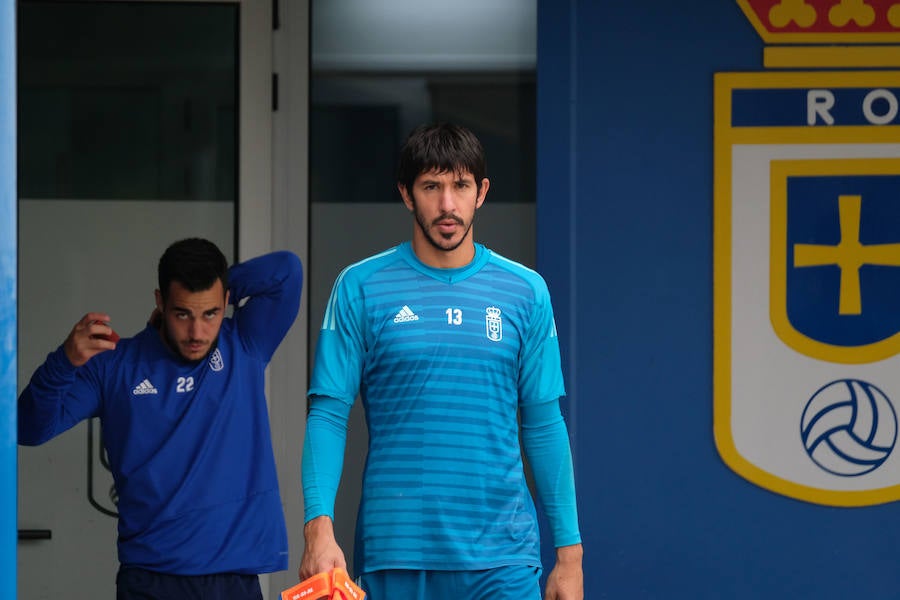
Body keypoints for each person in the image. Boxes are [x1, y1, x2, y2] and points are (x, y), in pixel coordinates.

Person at [300, 123, 583, 599]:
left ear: (482, 192)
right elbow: (328, 414)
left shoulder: (526, 292)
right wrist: (317, 530)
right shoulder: (360, 287)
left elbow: (544, 424)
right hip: (396, 549)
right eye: (431, 186)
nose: (447, 205)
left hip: (504, 556)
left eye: (460, 186)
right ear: (407, 195)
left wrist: (569, 557)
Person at [18, 238, 303, 600]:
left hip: (232, 580)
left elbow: (287, 271)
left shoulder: (244, 344)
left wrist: (219, 281)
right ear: (160, 303)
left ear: (226, 302)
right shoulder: (115, 365)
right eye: (183, 313)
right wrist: (63, 362)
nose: (198, 332)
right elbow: (29, 428)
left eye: (210, 313)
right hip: (150, 581)